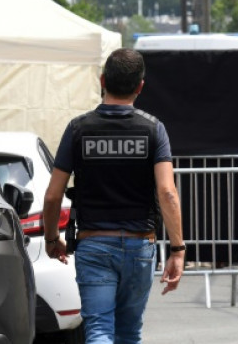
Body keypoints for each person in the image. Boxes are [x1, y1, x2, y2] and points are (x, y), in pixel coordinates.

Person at [43, 47, 184, 344]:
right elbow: (167, 192)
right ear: (140, 86)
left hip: (93, 245)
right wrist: (177, 250)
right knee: (129, 332)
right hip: (138, 245)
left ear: (102, 80)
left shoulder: (77, 129)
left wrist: (52, 238)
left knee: (99, 331)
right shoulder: (153, 130)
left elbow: (53, 196)